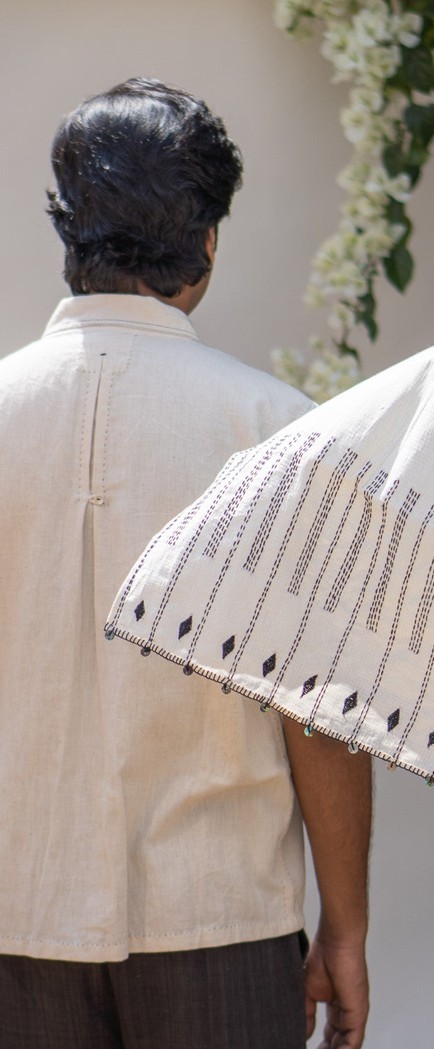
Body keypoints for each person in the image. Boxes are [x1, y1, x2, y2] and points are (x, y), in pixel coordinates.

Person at [0, 77, 371, 1049]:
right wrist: (345, 925)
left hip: (13, 915)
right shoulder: (278, 431)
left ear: (68, 232)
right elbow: (321, 709)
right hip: (219, 927)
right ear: (206, 242)